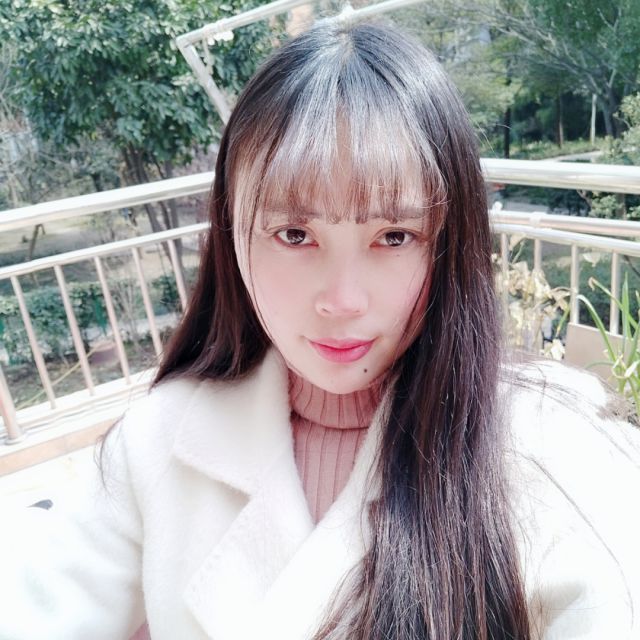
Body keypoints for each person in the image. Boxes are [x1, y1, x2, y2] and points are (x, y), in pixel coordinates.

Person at [1, 19, 640, 640]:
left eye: (394, 236)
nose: (342, 300)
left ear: (450, 240)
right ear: (232, 234)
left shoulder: (552, 442)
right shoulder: (155, 442)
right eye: (293, 234)